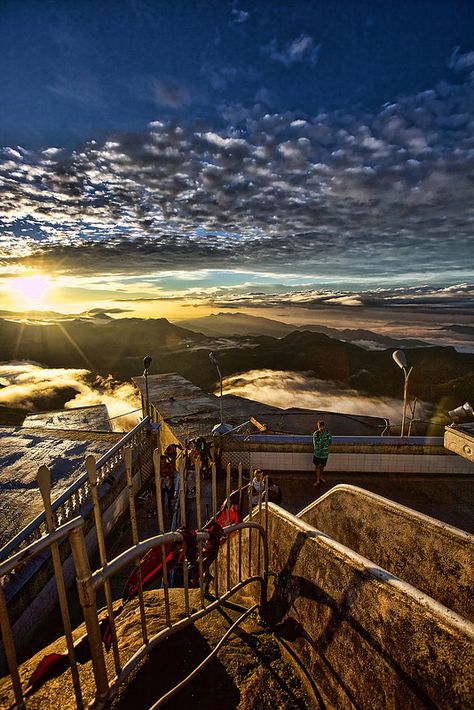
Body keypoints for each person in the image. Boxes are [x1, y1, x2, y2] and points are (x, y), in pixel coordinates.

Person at [312, 420, 332, 486]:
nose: (321, 428)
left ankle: (321, 476)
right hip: (317, 454)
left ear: (324, 426)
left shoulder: (327, 433)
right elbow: (316, 444)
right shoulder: (316, 434)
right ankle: (317, 479)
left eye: (322, 426)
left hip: (324, 454)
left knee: (323, 466)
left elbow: (330, 442)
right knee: (317, 466)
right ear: (318, 426)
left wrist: (322, 443)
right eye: (320, 427)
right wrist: (324, 442)